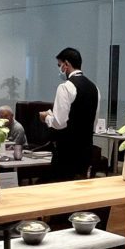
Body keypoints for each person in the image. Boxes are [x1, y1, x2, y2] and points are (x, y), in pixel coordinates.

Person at [42, 47, 98, 182]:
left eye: (59, 65)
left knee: (61, 192)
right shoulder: (94, 88)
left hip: (66, 152)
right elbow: (94, 121)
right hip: (86, 150)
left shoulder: (65, 87)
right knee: (80, 193)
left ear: (66, 64)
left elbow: (59, 123)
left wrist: (47, 118)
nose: (59, 69)